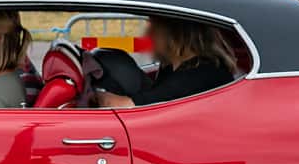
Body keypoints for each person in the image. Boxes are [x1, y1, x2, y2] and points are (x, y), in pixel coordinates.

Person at [91, 17, 235, 108]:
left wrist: (90, 94)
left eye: (153, 30)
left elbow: (126, 105)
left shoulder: (198, 75)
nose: (146, 37)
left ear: (172, 35)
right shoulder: (175, 67)